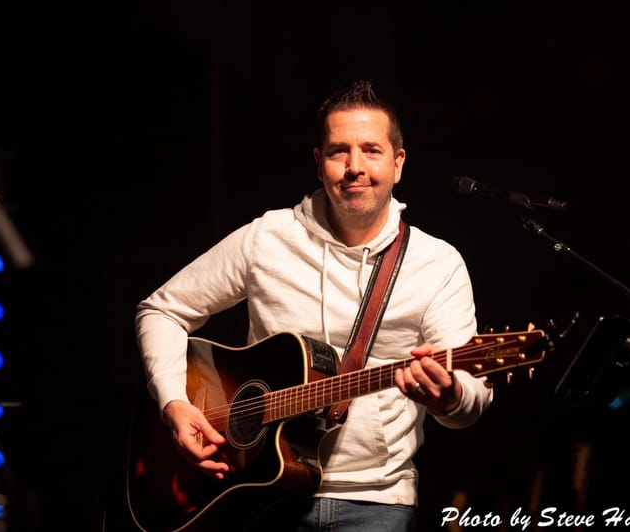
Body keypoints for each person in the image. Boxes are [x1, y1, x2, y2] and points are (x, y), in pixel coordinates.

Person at [134, 79, 493, 531]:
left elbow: (473, 399)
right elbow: (160, 310)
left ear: (398, 163)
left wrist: (450, 396)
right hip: (257, 493)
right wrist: (174, 402)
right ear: (319, 163)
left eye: (372, 150)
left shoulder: (436, 264)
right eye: (340, 151)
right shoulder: (268, 238)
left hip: (377, 502)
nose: (355, 167)